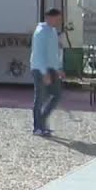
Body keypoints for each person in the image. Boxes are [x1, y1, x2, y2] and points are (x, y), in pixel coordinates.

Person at [30, 8, 64, 137]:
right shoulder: (41, 32)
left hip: (51, 68)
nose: (59, 21)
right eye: (58, 19)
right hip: (40, 69)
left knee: (57, 95)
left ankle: (42, 121)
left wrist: (59, 68)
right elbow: (39, 55)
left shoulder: (53, 31)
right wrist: (44, 73)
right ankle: (37, 127)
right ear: (50, 18)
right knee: (40, 98)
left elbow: (53, 53)